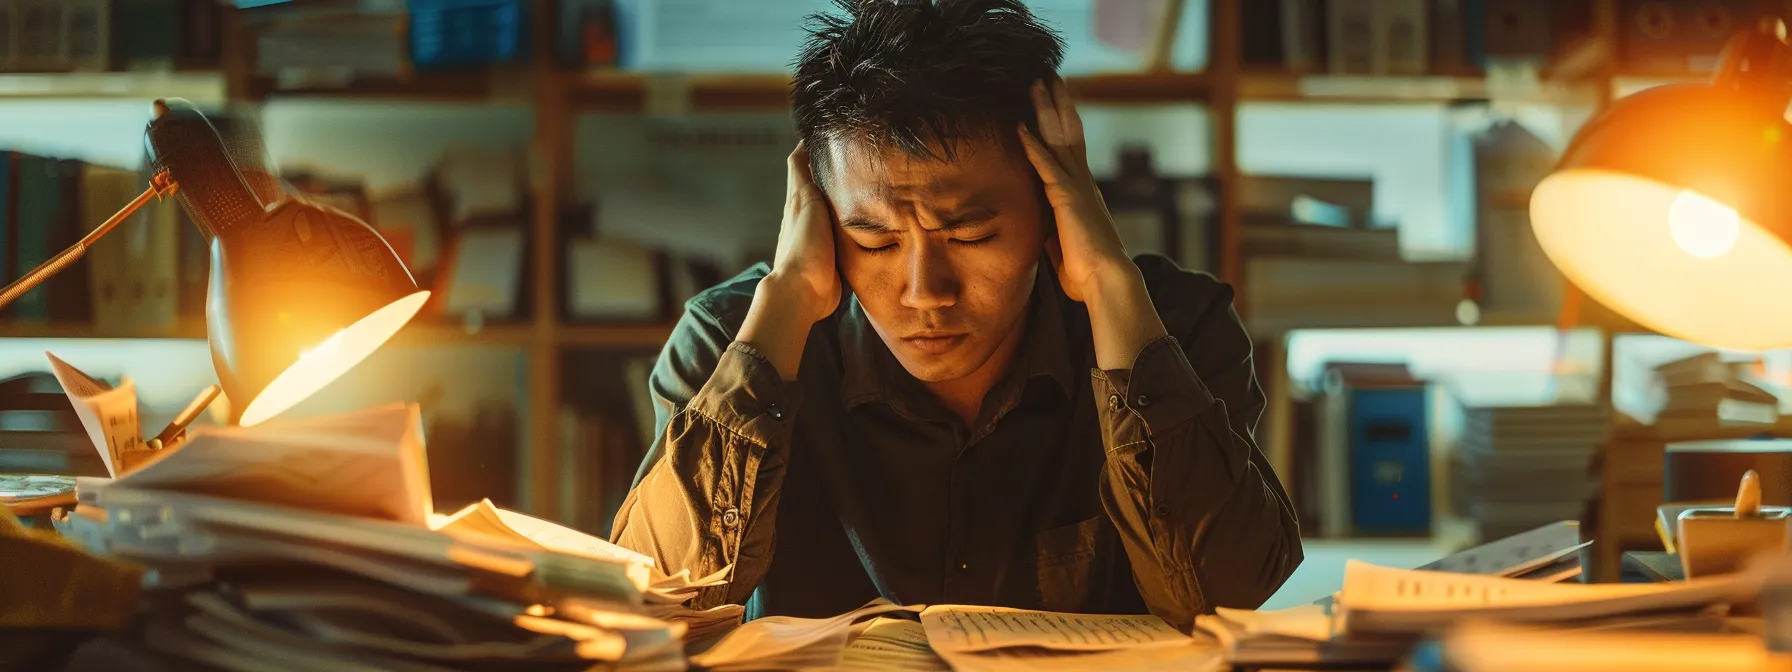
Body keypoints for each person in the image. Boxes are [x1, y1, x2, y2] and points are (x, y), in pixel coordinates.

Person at [611, 0, 1300, 630]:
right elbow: (664, 605)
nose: (924, 290)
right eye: (873, 239)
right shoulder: (734, 340)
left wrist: (1108, 282)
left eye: (970, 235)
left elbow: (1222, 600)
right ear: (818, 215)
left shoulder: (1173, 328)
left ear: (1051, 208)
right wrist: (787, 300)